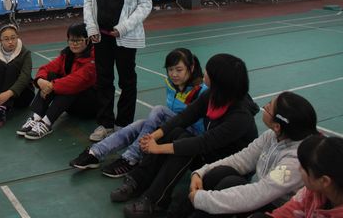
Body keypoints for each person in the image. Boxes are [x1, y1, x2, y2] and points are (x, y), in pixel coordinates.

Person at [116, 53, 259, 218]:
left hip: (226, 169)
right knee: (175, 132)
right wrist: (154, 136)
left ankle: (154, 201)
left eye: (208, 72)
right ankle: (139, 181)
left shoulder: (240, 116)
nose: (204, 73)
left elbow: (203, 143)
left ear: (219, 80)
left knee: (186, 145)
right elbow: (185, 117)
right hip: (210, 155)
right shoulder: (213, 95)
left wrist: (158, 148)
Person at [70, 48, 207, 178]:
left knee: (159, 110)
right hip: (174, 128)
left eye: (179, 70)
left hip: (193, 134)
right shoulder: (172, 85)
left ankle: (132, 157)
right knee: (141, 124)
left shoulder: (202, 91)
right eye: (170, 69)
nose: (174, 74)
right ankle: (95, 152)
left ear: (191, 68)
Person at [187, 91, 319, 217]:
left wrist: (203, 199)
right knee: (218, 172)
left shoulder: (295, 160)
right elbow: (241, 159)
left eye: (268, 107)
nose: (265, 106)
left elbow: (259, 193)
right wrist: (201, 172)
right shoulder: (272, 135)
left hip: (278, 209)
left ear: (277, 126)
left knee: (231, 183)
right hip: (266, 196)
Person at [83, 0, 153, 142]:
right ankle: (105, 124)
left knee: (127, 81)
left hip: (125, 37)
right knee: (103, 80)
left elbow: (145, 4)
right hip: (101, 36)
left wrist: (122, 28)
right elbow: (88, 0)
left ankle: (123, 124)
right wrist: (91, 27)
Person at [16, 23, 97, 140]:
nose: (74, 44)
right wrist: (40, 81)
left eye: (78, 40)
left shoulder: (93, 59)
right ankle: (36, 117)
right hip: (70, 105)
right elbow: (46, 68)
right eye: (71, 40)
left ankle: (47, 123)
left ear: (88, 40)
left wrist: (51, 86)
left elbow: (78, 80)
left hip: (89, 106)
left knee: (70, 85)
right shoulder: (67, 55)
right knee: (51, 76)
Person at [248, 135, 343, 218]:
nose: (299, 169)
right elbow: (284, 213)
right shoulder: (312, 192)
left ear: (324, 181)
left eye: (303, 168)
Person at [0, 24, 34, 128]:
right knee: (0, 67)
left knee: (12, 67)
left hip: (22, 96)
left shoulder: (25, 53)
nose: (10, 42)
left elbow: (25, 77)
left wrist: (9, 93)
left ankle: (2, 109)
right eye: (6, 39)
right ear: (0, 41)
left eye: (13, 38)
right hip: (0, 96)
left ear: (17, 37)